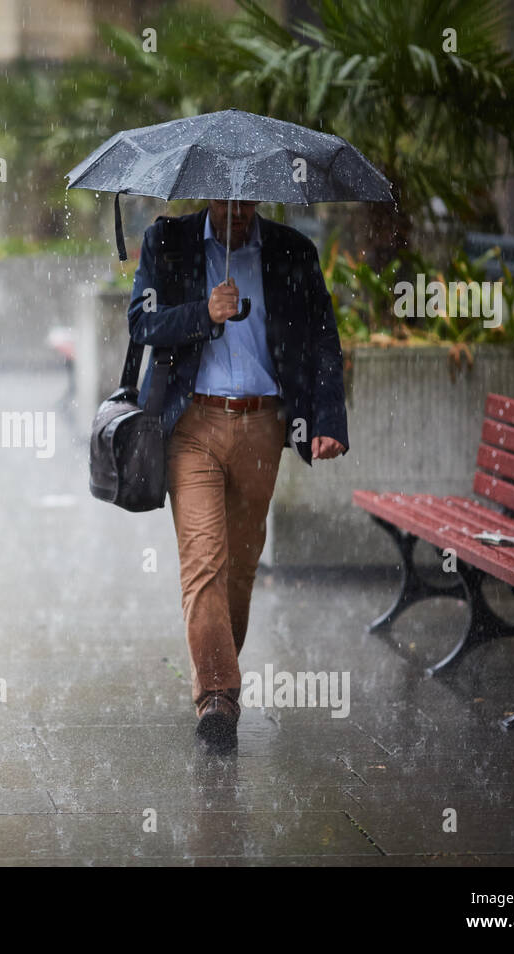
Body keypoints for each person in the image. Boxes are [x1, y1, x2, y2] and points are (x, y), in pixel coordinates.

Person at [127, 200, 348, 750]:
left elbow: (323, 336)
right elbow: (142, 322)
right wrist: (204, 312)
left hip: (263, 425)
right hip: (192, 424)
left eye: (248, 202)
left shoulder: (292, 252)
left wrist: (326, 419)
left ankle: (216, 680)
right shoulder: (167, 242)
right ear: (209, 197)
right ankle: (219, 698)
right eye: (229, 202)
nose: (239, 213)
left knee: (240, 568)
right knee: (204, 561)